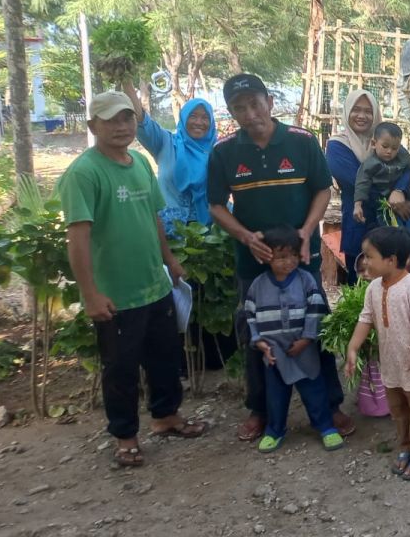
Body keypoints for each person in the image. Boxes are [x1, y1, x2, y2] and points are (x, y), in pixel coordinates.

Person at [59, 90, 207, 468]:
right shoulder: (84, 173)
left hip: (154, 285)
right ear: (93, 125)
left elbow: (154, 217)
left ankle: (165, 416)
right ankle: (125, 436)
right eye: (112, 120)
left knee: (164, 357)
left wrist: (170, 262)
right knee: (121, 368)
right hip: (116, 295)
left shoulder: (140, 163)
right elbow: (78, 238)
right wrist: (90, 294)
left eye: (128, 119)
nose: (122, 126)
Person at [207, 73, 351, 442]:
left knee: (314, 327)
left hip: (303, 257)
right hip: (252, 263)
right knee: (256, 333)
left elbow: (321, 191)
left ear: (270, 102)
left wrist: (306, 232)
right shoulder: (224, 152)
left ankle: (331, 405)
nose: (250, 112)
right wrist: (244, 236)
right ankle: (260, 410)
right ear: (232, 112)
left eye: (255, 103)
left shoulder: (301, 142)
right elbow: (216, 205)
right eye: (240, 107)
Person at [344, 226, 410, 481]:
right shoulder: (373, 288)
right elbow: (366, 319)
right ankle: (405, 446)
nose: (364, 261)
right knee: (398, 410)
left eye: (369, 256)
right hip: (392, 364)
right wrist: (352, 347)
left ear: (391, 260)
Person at [244, 226, 343, 453]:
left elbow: (316, 309)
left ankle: (325, 426)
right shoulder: (258, 286)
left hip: (304, 349)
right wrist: (259, 342)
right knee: (275, 395)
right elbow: (250, 316)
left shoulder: (306, 280)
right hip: (274, 353)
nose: (288, 262)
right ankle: (275, 430)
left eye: (293, 256)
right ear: (267, 257)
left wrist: (308, 338)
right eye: (281, 257)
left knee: (314, 390)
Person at [327, 90, 410, 284]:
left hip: (395, 222)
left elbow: (407, 167)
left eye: (368, 111)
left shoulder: (386, 139)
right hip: (360, 221)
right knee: (362, 279)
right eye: (356, 110)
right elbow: (358, 181)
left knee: (403, 277)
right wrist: (392, 200)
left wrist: (400, 191)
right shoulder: (337, 146)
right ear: (347, 112)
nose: (362, 116)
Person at [121, 80, 216, 235]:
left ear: (211, 122)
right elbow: (140, 119)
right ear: (184, 118)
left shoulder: (218, 150)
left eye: (205, 117)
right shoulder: (165, 143)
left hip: (212, 233)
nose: (199, 122)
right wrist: (126, 82)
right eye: (193, 116)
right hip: (170, 232)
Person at [352, 121, 410, 224]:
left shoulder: (402, 156)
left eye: (394, 148)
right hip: (382, 206)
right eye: (385, 146)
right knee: (388, 233)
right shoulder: (370, 164)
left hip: (405, 201)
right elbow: (362, 184)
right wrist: (357, 205)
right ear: (374, 144)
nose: (389, 151)